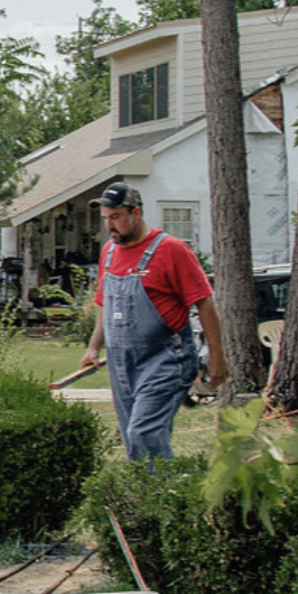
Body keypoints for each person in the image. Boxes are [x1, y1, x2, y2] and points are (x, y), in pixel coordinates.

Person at [76, 181, 229, 460]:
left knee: (143, 435)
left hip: (166, 360)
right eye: (106, 219)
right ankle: (155, 496)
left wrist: (217, 358)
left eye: (116, 217)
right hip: (123, 365)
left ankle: (163, 496)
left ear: (136, 213)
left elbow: (205, 303)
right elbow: (104, 304)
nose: (110, 226)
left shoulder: (172, 250)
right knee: (135, 444)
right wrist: (93, 347)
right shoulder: (109, 253)